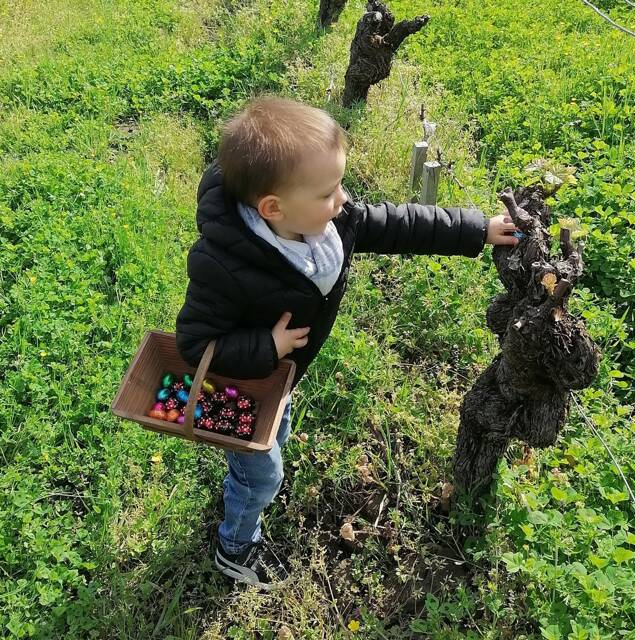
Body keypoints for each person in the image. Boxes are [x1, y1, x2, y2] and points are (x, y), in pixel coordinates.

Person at [176, 95, 518, 589]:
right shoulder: (221, 264)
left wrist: (476, 230)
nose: (343, 201)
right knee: (261, 473)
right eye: (329, 192)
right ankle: (235, 547)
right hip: (239, 385)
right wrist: (267, 346)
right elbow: (195, 344)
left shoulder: (326, 220)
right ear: (273, 207)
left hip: (279, 381)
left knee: (277, 433)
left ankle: (252, 477)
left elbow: (397, 224)